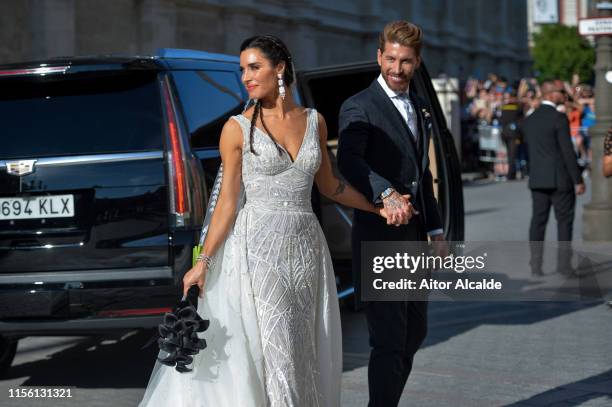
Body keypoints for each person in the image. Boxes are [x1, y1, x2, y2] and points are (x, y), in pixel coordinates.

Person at [139, 35, 389, 407]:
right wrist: (202, 262)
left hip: (307, 250)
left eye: (254, 67)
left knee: (305, 349)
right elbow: (226, 205)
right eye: (242, 70)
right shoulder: (236, 128)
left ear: (280, 69)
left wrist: (376, 207)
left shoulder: (314, 122)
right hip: (258, 252)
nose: (246, 77)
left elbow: (331, 185)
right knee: (278, 349)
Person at [337, 21, 445, 407]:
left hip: (414, 240)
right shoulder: (358, 106)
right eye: (391, 59)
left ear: (417, 62)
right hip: (380, 241)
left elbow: (422, 172)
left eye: (406, 62)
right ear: (379, 56)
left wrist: (435, 229)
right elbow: (349, 159)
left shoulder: (418, 105)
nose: (397, 69)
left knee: (414, 333)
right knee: (387, 340)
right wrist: (385, 192)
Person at [522, 81, 585, 276]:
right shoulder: (558, 118)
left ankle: (535, 265)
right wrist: (578, 179)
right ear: (551, 94)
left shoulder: (529, 120)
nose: (563, 95)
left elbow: (528, 151)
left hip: (538, 178)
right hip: (560, 179)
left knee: (538, 222)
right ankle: (564, 266)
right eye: (560, 92)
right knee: (564, 222)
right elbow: (567, 151)